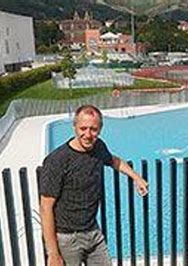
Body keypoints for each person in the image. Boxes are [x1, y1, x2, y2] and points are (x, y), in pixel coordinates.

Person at [39, 104, 148, 266]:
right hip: (67, 239)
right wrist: (53, 254)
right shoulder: (58, 160)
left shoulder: (98, 147)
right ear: (74, 126)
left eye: (93, 129)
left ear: (100, 129)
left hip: (93, 232)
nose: (88, 134)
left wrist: (136, 177)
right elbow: (45, 207)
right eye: (83, 128)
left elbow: (114, 161)